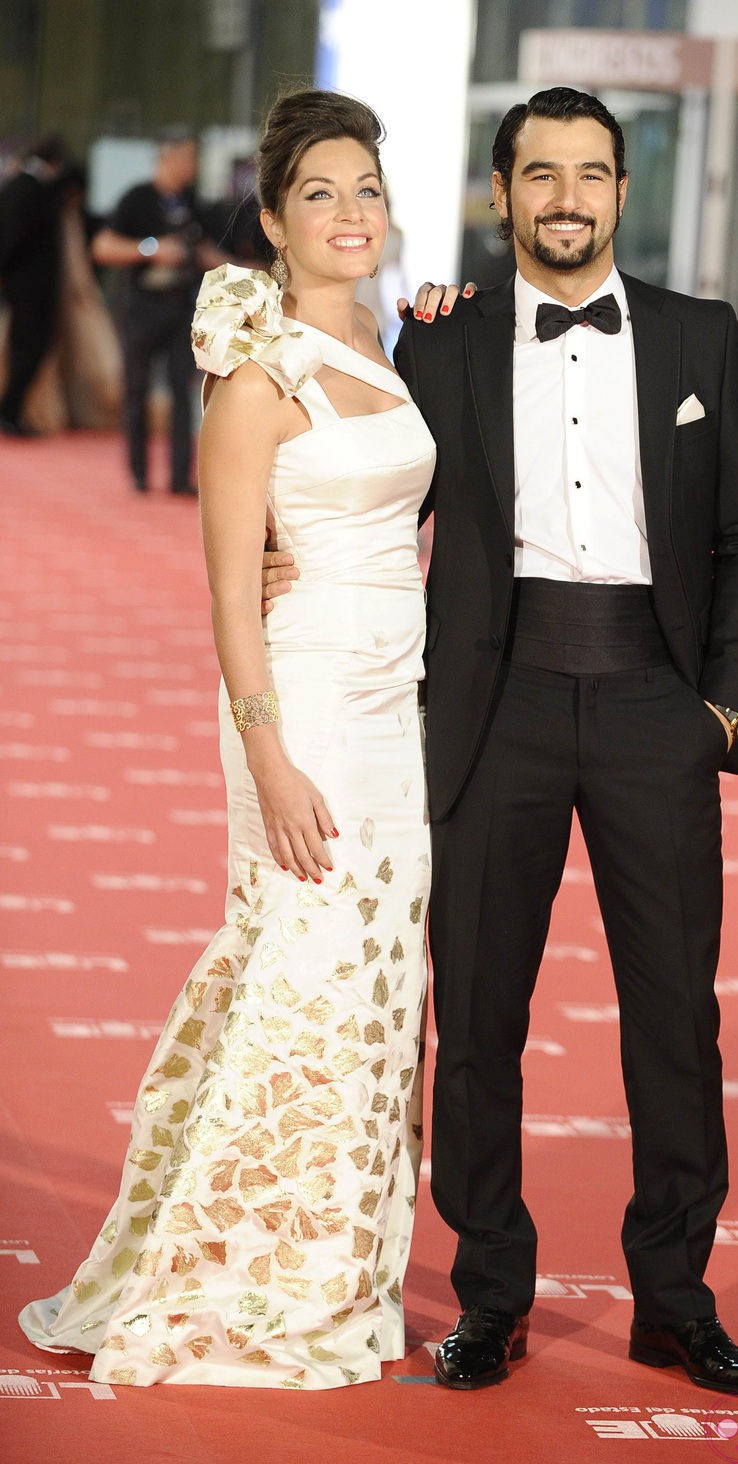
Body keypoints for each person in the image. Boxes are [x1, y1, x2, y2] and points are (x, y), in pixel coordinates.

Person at [266, 86, 738, 1399]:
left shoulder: (698, 335)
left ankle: (675, 1296)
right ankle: (491, 1289)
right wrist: (285, 551)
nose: (566, 197)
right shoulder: (437, 341)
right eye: (540, 173)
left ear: (620, 191)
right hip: (490, 716)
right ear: (502, 194)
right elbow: (374, 487)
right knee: (481, 1017)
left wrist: (720, 704)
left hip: (655, 711)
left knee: (675, 1017)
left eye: (591, 175)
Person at [20, 89, 435, 1391]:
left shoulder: (392, 337)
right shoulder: (259, 370)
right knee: (298, 984)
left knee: (377, 993)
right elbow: (224, 588)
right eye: (319, 194)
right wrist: (267, 753)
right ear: (271, 221)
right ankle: (232, 1277)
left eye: (365, 187)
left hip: (402, 706)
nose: (349, 213)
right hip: (300, 703)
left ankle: (336, 1273)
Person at [92, 127, 223, 494]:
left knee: (183, 391)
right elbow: (103, 246)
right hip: (142, 307)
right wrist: (151, 249)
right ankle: (138, 473)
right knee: (136, 388)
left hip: (183, 305)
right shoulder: (137, 198)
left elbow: (207, 250)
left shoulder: (193, 202)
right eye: (187, 158)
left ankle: (181, 475)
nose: (192, 166)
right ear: (167, 157)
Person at [0, 135, 68, 436]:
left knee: (26, 348)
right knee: (28, 348)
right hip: (28, 286)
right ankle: (9, 412)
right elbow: (12, 237)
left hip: (23, 284)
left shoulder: (22, 186)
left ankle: (11, 412)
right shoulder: (29, 189)